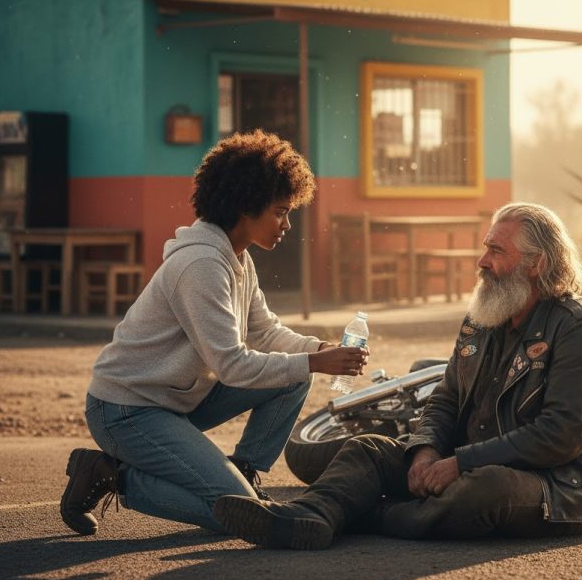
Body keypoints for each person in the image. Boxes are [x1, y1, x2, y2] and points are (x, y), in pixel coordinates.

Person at [213, 202, 582, 549]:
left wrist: (460, 463)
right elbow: (446, 398)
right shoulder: (487, 313)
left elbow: (562, 433)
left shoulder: (579, 328)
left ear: (537, 263)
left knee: (485, 490)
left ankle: (359, 516)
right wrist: (426, 451)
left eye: (497, 252)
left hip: (564, 486)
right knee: (368, 450)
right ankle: (307, 517)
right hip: (471, 461)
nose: (482, 262)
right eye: (485, 248)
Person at [60, 130, 368, 536]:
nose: (287, 224)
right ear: (244, 205)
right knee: (234, 513)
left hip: (177, 400)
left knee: (293, 377)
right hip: (126, 411)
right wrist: (313, 360)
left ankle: (243, 475)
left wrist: (319, 351)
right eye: (280, 212)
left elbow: (264, 330)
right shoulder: (201, 265)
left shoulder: (236, 258)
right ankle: (110, 474)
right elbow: (233, 365)